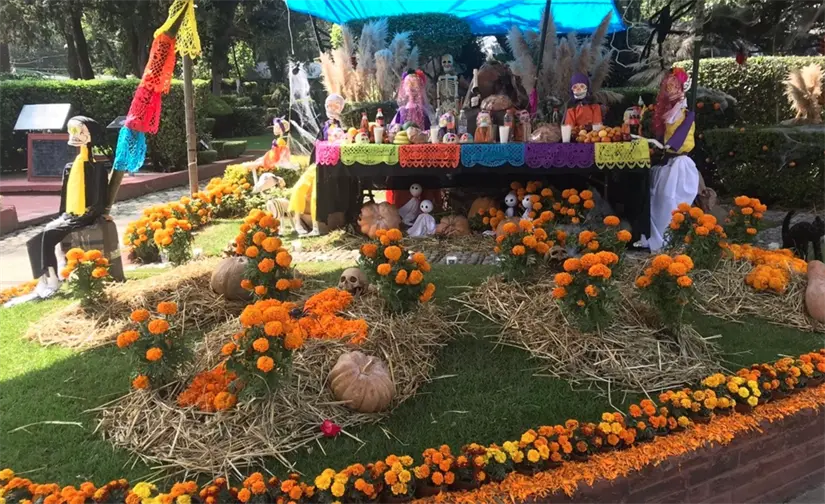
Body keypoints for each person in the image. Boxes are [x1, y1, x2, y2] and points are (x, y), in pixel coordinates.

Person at [24, 116, 109, 298]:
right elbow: (65, 197)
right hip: (70, 215)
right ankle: (47, 277)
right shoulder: (71, 167)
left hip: (85, 215)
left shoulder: (97, 168)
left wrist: (88, 213)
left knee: (47, 234)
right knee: (38, 239)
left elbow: (99, 198)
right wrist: (63, 215)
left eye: (81, 132)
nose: (75, 136)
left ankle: (51, 279)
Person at [644, 67, 698, 252]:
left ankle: (672, 240)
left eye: (675, 86)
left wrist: (671, 146)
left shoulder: (685, 112)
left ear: (682, 87)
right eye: (668, 87)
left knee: (671, 200)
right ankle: (661, 238)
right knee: (659, 199)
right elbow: (665, 136)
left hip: (681, 164)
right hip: (669, 162)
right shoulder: (669, 111)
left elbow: (682, 135)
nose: (671, 90)